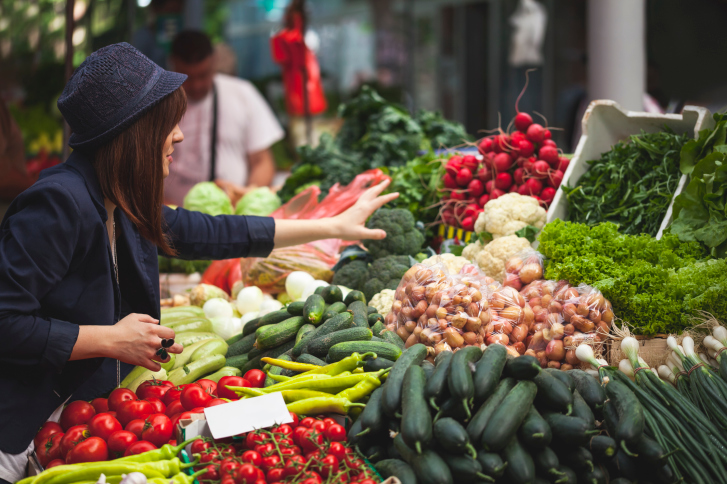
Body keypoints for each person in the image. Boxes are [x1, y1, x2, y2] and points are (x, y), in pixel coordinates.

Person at [0, 42, 397, 482]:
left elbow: (215, 232)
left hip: (80, 420)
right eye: (167, 124)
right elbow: (5, 322)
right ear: (132, 133)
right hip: (22, 437)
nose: (180, 135)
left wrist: (330, 225)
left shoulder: (120, 199)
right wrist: (109, 339)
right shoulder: (58, 203)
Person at [165, 30, 283, 206]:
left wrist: (245, 200)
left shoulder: (242, 93)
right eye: (187, 77)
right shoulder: (161, 102)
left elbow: (262, 162)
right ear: (173, 64)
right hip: (170, 216)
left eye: (203, 75)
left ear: (214, 62)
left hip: (231, 215)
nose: (196, 85)